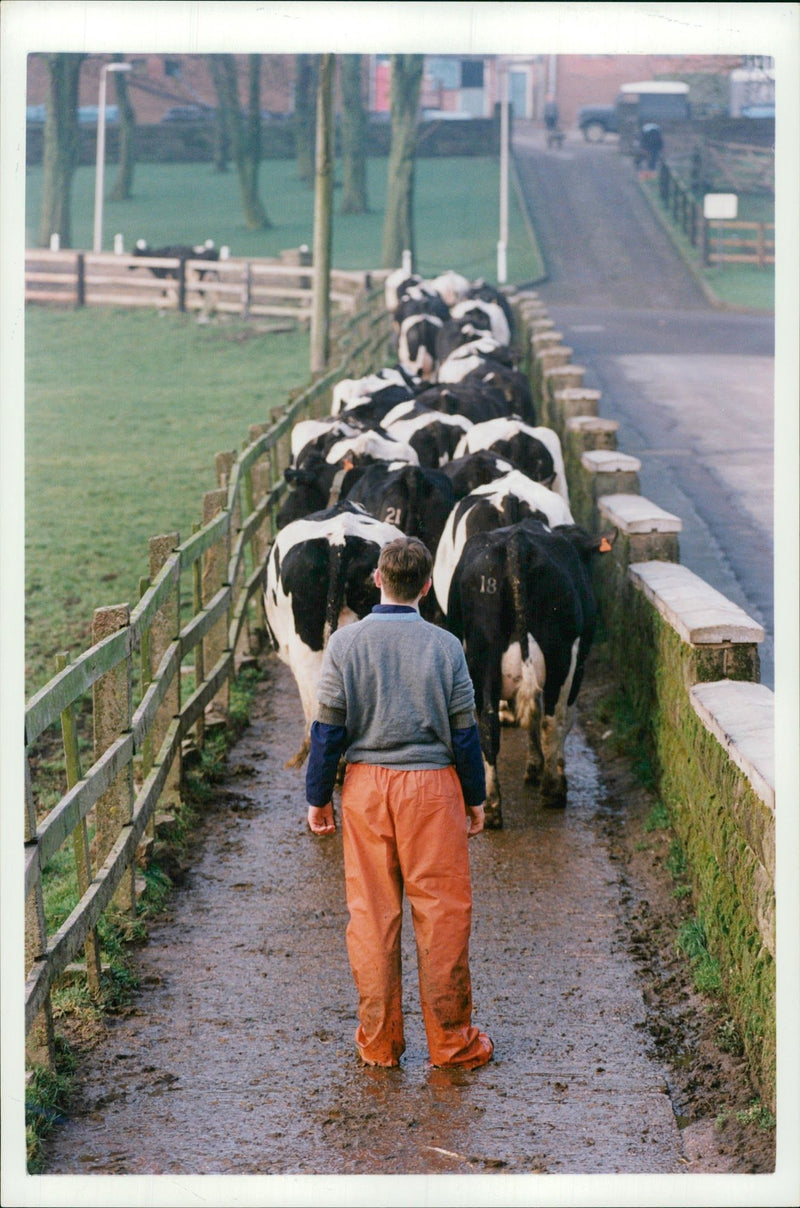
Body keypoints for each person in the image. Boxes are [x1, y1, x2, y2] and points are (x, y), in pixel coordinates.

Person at [305, 536, 493, 1071]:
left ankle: (380, 1042)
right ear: (427, 586)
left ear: (378, 581)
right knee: (442, 914)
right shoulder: (446, 646)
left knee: (371, 916)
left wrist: (318, 798)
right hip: (433, 790)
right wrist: (474, 797)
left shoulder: (345, 644)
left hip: (366, 789)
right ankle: (452, 1043)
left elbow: (326, 731)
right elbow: (465, 734)